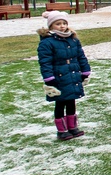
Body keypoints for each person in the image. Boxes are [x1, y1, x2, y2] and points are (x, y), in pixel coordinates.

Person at [37, 11, 91, 140]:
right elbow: (45, 62)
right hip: (59, 76)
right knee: (60, 103)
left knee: (71, 101)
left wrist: (85, 71)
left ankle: (72, 127)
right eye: (58, 24)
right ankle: (62, 130)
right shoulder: (47, 42)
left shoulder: (73, 39)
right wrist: (49, 78)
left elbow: (80, 56)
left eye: (64, 23)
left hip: (72, 74)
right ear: (51, 26)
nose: (62, 26)